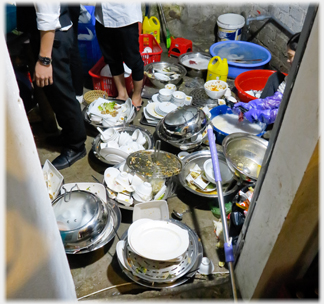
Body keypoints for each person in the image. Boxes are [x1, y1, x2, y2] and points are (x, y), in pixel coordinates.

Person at [16, 3, 87, 170]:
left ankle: (76, 146)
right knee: (55, 94)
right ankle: (69, 135)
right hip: (51, 37)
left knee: (63, 96)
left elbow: (47, 17)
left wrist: (44, 61)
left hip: (53, 39)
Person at [233, 32, 300, 125]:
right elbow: (278, 99)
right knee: (275, 77)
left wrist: (260, 115)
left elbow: (286, 112)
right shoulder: (293, 75)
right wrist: (252, 105)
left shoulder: (307, 83)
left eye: (290, 56)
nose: (288, 60)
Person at [95, 3, 144, 111]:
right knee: (111, 58)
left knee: (133, 59)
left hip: (125, 16)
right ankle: (122, 94)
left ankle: (137, 96)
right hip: (102, 17)